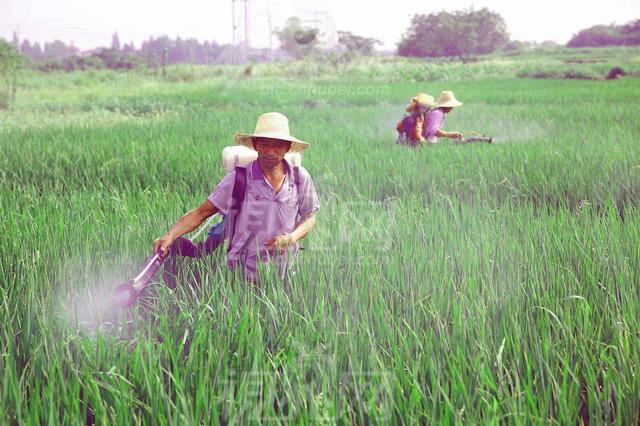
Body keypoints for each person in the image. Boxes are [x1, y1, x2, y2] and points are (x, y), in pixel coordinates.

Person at [153, 112, 320, 284]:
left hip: (285, 275)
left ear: (287, 147)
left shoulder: (300, 178)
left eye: (277, 145)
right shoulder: (238, 180)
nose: (271, 151)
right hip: (242, 277)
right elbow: (200, 213)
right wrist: (170, 236)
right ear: (255, 145)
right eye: (265, 144)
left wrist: (292, 238)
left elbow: (309, 216)